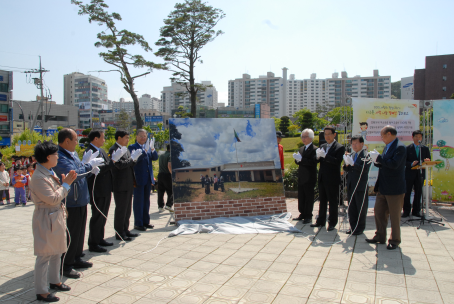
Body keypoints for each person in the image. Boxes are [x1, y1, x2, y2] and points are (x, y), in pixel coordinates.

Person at [53, 128, 104, 278]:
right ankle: (66, 265)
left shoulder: (73, 154)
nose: (77, 142)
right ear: (67, 141)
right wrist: (89, 166)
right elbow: (73, 174)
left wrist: (88, 168)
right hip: (71, 201)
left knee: (79, 232)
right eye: (75, 140)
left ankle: (76, 257)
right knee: (71, 234)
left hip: (81, 199)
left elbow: (80, 168)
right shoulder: (60, 156)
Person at [31, 142, 77, 302]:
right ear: (48, 157)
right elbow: (52, 198)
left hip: (55, 215)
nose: (58, 157)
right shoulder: (38, 177)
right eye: (56, 154)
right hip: (45, 217)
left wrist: (63, 184)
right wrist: (65, 185)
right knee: (44, 255)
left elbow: (58, 193)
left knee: (57, 251)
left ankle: (55, 280)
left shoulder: (49, 172)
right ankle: (41, 291)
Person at [367, 125, 406, 250]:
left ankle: (395, 240)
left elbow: (394, 164)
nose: (382, 138)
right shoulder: (387, 146)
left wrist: (379, 158)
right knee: (379, 212)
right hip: (383, 186)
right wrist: (377, 161)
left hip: (394, 188)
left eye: (382, 136)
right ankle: (380, 236)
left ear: (389, 134)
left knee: (394, 216)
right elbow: (384, 164)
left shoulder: (400, 147)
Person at [86, 130, 115, 253]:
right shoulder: (90, 152)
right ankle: (93, 243)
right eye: (102, 137)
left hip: (106, 187)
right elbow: (98, 169)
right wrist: (112, 163)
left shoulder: (102, 150)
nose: (104, 140)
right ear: (95, 138)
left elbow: (106, 164)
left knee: (103, 215)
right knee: (97, 216)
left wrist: (110, 162)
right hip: (97, 189)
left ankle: (100, 238)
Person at [312, 127, 345, 231]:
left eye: (329, 134)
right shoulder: (323, 146)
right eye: (325, 134)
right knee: (322, 201)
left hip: (332, 178)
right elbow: (318, 160)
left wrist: (325, 156)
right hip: (322, 177)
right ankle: (320, 221)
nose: (327, 136)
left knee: (332, 201)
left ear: (334, 135)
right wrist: (317, 157)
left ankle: (332, 222)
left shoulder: (339, 147)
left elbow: (337, 161)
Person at [109, 130, 139, 241]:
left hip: (128, 183)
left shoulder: (125, 149)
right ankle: (119, 232)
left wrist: (134, 158)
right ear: (119, 138)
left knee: (127, 209)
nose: (128, 140)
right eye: (126, 137)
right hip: (120, 184)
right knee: (121, 209)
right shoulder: (114, 149)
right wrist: (131, 160)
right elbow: (120, 165)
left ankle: (126, 230)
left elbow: (130, 164)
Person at [128, 130, 158, 231]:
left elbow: (155, 157)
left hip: (147, 178)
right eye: (141, 136)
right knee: (138, 202)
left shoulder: (148, 148)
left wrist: (152, 149)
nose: (143, 138)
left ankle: (146, 221)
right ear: (136, 137)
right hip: (138, 179)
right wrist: (144, 152)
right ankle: (138, 223)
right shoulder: (132, 147)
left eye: (144, 136)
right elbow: (134, 160)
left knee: (146, 202)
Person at [343, 135, 370, 235]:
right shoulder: (352, 154)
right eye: (352, 144)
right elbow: (347, 169)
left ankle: (360, 228)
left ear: (362, 144)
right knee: (352, 208)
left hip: (360, 186)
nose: (354, 146)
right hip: (351, 184)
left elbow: (365, 169)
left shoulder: (366, 155)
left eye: (356, 143)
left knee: (361, 208)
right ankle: (353, 227)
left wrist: (354, 164)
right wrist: (346, 164)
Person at [403, 130, 431, 218]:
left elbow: (429, 159)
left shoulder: (425, 149)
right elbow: (404, 161)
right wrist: (411, 164)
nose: (418, 138)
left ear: (421, 138)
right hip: (409, 174)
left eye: (420, 137)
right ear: (412, 137)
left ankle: (416, 211)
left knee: (418, 193)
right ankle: (406, 211)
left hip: (420, 174)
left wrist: (427, 161)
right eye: (416, 136)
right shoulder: (407, 148)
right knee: (407, 193)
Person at [293, 129, 318, 224]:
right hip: (302, 176)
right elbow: (298, 161)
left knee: (308, 197)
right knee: (301, 196)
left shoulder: (315, 149)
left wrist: (302, 159)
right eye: (302, 137)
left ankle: (308, 215)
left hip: (310, 177)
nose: (303, 139)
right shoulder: (301, 148)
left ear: (311, 138)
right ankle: (302, 213)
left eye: (305, 137)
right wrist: (297, 159)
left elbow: (313, 162)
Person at [157, 144, 174, 213]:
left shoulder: (162, 155)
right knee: (171, 191)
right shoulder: (170, 155)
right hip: (167, 174)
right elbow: (169, 165)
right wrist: (171, 174)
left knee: (160, 191)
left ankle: (160, 206)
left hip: (160, 174)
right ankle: (169, 205)